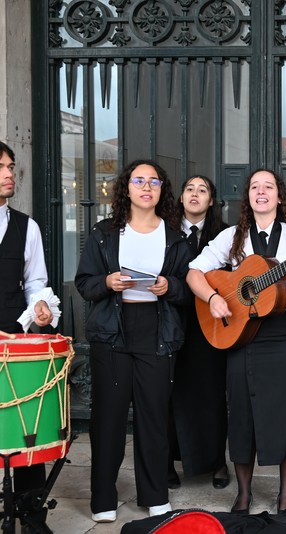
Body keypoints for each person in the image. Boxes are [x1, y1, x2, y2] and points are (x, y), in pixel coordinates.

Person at [186, 169, 286, 514]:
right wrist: (212, 298)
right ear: (248, 197)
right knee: (242, 411)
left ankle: (284, 496)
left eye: (268, 187)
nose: (261, 192)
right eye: (255, 187)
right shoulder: (232, 237)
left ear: (279, 197)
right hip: (243, 331)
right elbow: (194, 272)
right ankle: (244, 495)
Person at [75, 159, 193, 523]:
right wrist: (107, 283)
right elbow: (84, 282)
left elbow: (189, 289)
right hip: (113, 329)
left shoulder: (175, 238)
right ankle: (103, 499)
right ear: (126, 188)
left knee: (153, 417)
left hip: (156, 331)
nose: (146, 187)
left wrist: (168, 286)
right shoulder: (104, 233)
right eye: (139, 180)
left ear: (161, 190)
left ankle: (154, 494)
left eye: (153, 181)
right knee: (107, 419)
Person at [0, 140, 60, 532]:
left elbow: (36, 282)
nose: (9, 173)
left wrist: (38, 309)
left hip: (15, 341)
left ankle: (32, 518)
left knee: (26, 435)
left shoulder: (28, 226)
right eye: (0, 167)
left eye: (11, 166)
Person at [167, 175, 229, 490]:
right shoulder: (163, 232)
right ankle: (167, 462)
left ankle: (216, 461)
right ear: (180, 198)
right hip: (171, 321)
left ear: (211, 201)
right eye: (189, 188)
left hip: (212, 324)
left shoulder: (226, 235)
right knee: (167, 394)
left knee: (211, 394)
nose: (194, 194)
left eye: (202, 190)